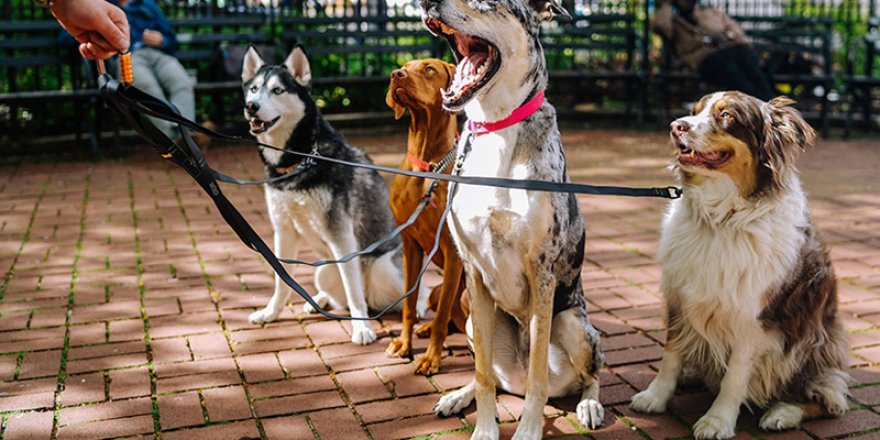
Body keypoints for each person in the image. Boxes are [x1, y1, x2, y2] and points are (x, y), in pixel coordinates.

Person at [653, 0, 775, 101]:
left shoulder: (709, 11)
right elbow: (660, 26)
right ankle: (760, 103)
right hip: (704, 58)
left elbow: (735, 30)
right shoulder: (671, 18)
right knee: (731, 71)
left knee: (751, 65)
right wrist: (666, 4)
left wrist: (730, 35)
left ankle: (768, 103)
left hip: (729, 49)